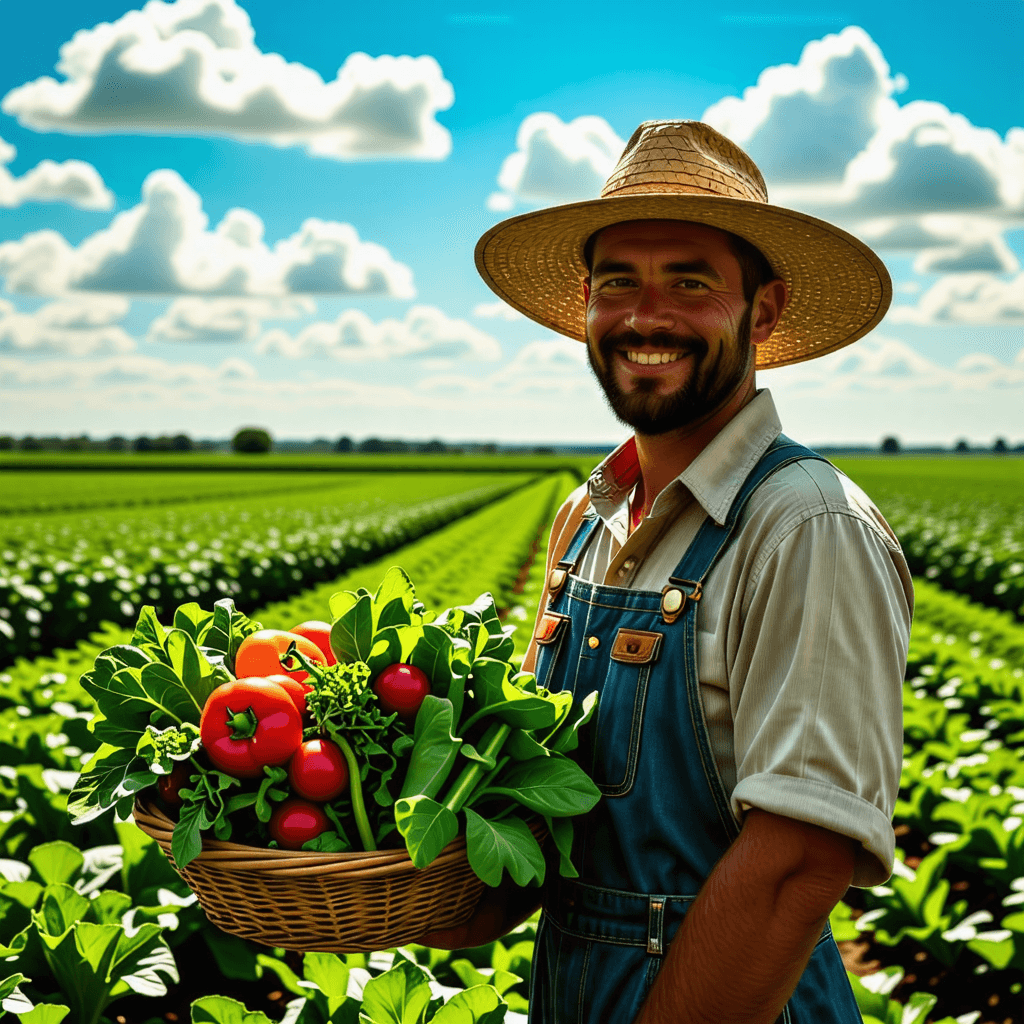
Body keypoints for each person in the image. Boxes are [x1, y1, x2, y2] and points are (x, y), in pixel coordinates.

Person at [422, 120, 913, 1024]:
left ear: (762, 312)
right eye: (620, 284)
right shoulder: (587, 518)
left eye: (690, 282)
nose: (648, 316)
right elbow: (548, 829)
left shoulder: (806, 524)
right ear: (587, 306)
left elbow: (799, 863)